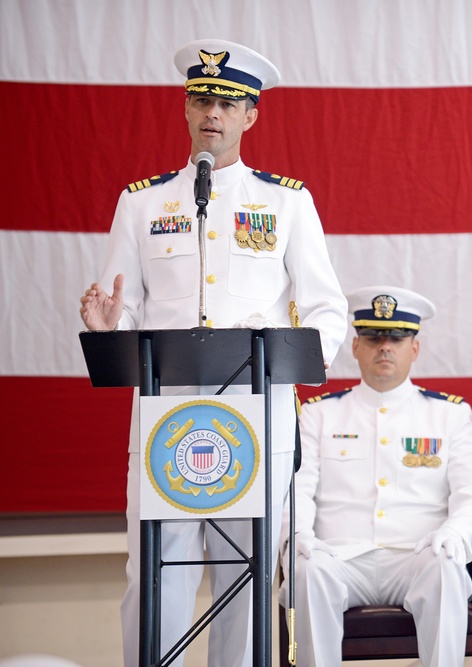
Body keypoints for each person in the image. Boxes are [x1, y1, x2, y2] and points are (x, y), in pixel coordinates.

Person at [78, 39, 349, 666]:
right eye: (202, 98)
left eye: (229, 102)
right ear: (185, 106)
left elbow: (326, 310)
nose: (213, 112)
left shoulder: (286, 201)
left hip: (256, 414)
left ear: (251, 116)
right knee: (153, 572)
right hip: (168, 417)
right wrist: (105, 328)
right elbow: (126, 312)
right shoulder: (142, 202)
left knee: (248, 576)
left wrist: (298, 361)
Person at [283, 285, 472, 667]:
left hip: (415, 556)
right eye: (374, 337)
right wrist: (296, 535)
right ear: (356, 346)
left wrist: (455, 532)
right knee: (306, 570)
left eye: (396, 338)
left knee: (447, 569)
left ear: (414, 349)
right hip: (341, 557)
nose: (385, 347)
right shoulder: (319, 414)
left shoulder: (450, 415)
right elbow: (297, 490)